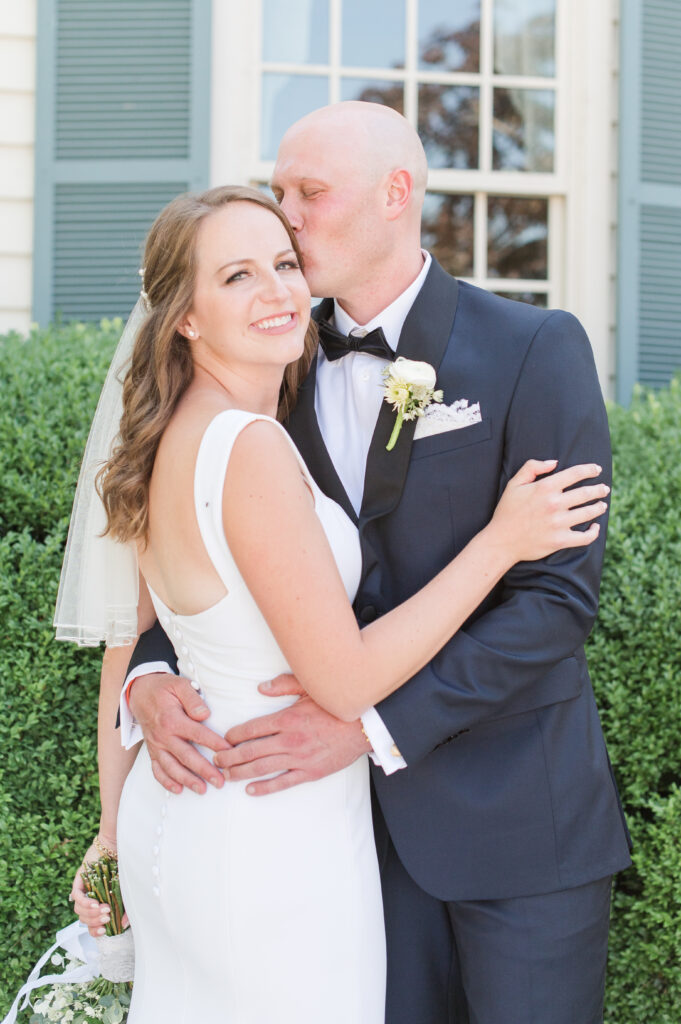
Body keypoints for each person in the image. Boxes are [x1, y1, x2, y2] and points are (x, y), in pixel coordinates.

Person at [67, 182, 609, 1024]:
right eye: (238, 274)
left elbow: (558, 601)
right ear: (184, 316)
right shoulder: (257, 418)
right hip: (274, 823)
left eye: (284, 250)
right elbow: (168, 637)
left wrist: (115, 810)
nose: (279, 283)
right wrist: (498, 541)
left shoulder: (525, 347)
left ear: (392, 193)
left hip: (491, 824)